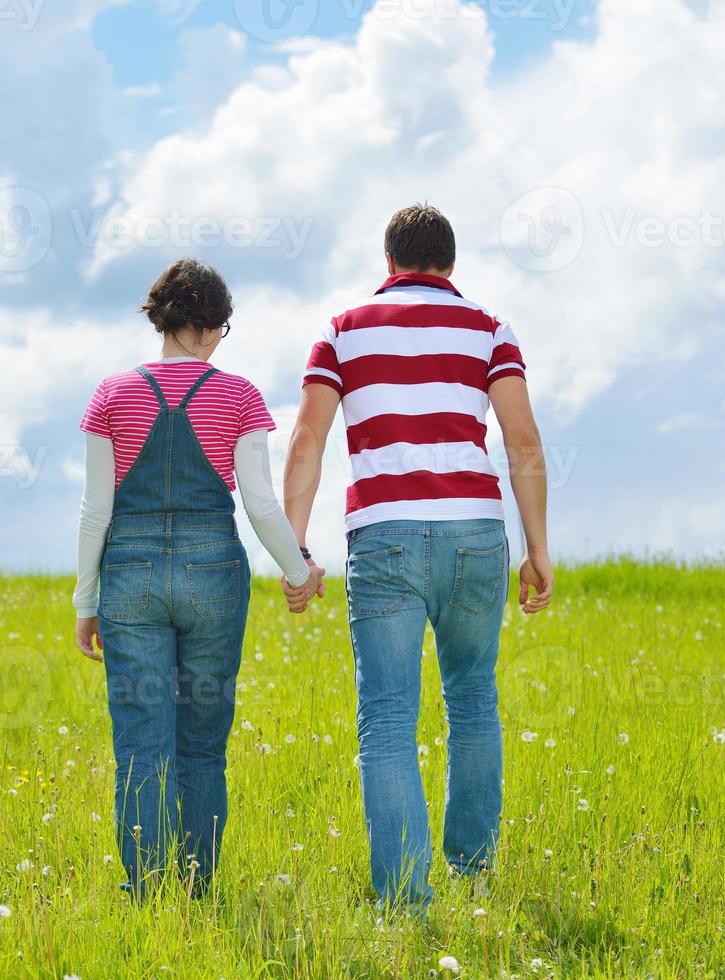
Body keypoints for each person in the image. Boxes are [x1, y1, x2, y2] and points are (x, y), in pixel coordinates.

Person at [281, 204, 554, 912]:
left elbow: (306, 441)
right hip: (474, 533)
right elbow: (521, 439)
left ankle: (405, 899)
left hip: (384, 537)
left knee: (387, 716)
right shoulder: (488, 328)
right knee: (472, 701)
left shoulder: (340, 331)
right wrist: (536, 548)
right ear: (449, 265)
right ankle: (471, 871)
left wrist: (293, 548)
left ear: (389, 262)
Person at [73, 258, 324, 898]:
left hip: (128, 572)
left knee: (139, 746)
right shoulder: (237, 395)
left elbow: (96, 509)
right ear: (210, 327)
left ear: (162, 320)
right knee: (203, 745)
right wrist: (300, 571)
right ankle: (196, 888)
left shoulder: (112, 395)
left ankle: (146, 894)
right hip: (214, 570)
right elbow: (261, 506)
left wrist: (86, 598)